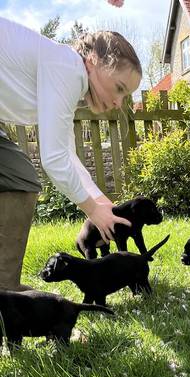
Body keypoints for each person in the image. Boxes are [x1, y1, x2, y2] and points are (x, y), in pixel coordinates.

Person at [0, 17, 142, 291]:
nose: (117, 102)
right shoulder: (67, 66)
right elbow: (54, 159)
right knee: (20, 177)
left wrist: (103, 205)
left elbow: (66, 153)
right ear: (93, 61)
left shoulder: (64, 72)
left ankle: (4, 290)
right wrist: (91, 210)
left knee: (19, 177)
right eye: (120, 88)